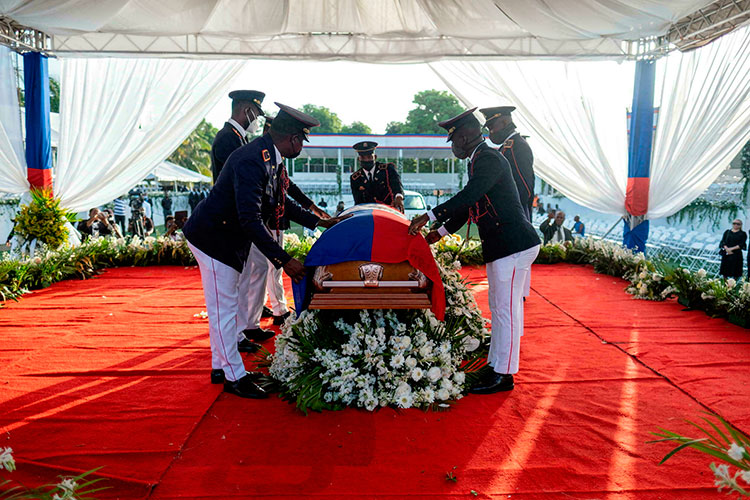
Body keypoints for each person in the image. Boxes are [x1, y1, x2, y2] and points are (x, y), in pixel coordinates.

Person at [182, 102, 349, 399]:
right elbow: (250, 219)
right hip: (213, 237)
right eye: (302, 140)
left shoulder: (269, 156)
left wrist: (320, 222)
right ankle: (234, 377)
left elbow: (280, 200)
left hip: (225, 235)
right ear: (293, 138)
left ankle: (221, 367)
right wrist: (284, 260)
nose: (301, 146)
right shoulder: (253, 159)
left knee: (227, 307)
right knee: (224, 309)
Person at [408, 108, 540, 394]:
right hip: (503, 246)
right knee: (500, 308)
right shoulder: (480, 159)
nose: (452, 146)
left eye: (453, 140)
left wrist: (428, 216)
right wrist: (438, 233)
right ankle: (496, 366)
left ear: (466, 136)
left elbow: (468, 196)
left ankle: (504, 375)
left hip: (513, 244)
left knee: (506, 311)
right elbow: (471, 206)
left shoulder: (489, 159)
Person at [480, 106, 535, 221]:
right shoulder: (506, 148)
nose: (490, 132)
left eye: (491, 127)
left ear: (504, 123)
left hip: (515, 218)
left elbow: (524, 188)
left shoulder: (518, 147)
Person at [210, 90, 265, 182]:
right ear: (247, 111)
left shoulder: (238, 136)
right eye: (256, 115)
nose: (256, 120)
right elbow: (240, 175)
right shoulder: (227, 137)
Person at [350, 141, 404, 212]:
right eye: (363, 157)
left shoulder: (387, 170)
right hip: (367, 214)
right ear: (358, 159)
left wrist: (399, 197)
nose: (366, 160)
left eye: (369, 157)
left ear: (375, 157)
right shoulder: (355, 178)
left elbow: (396, 185)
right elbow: (358, 202)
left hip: (388, 211)